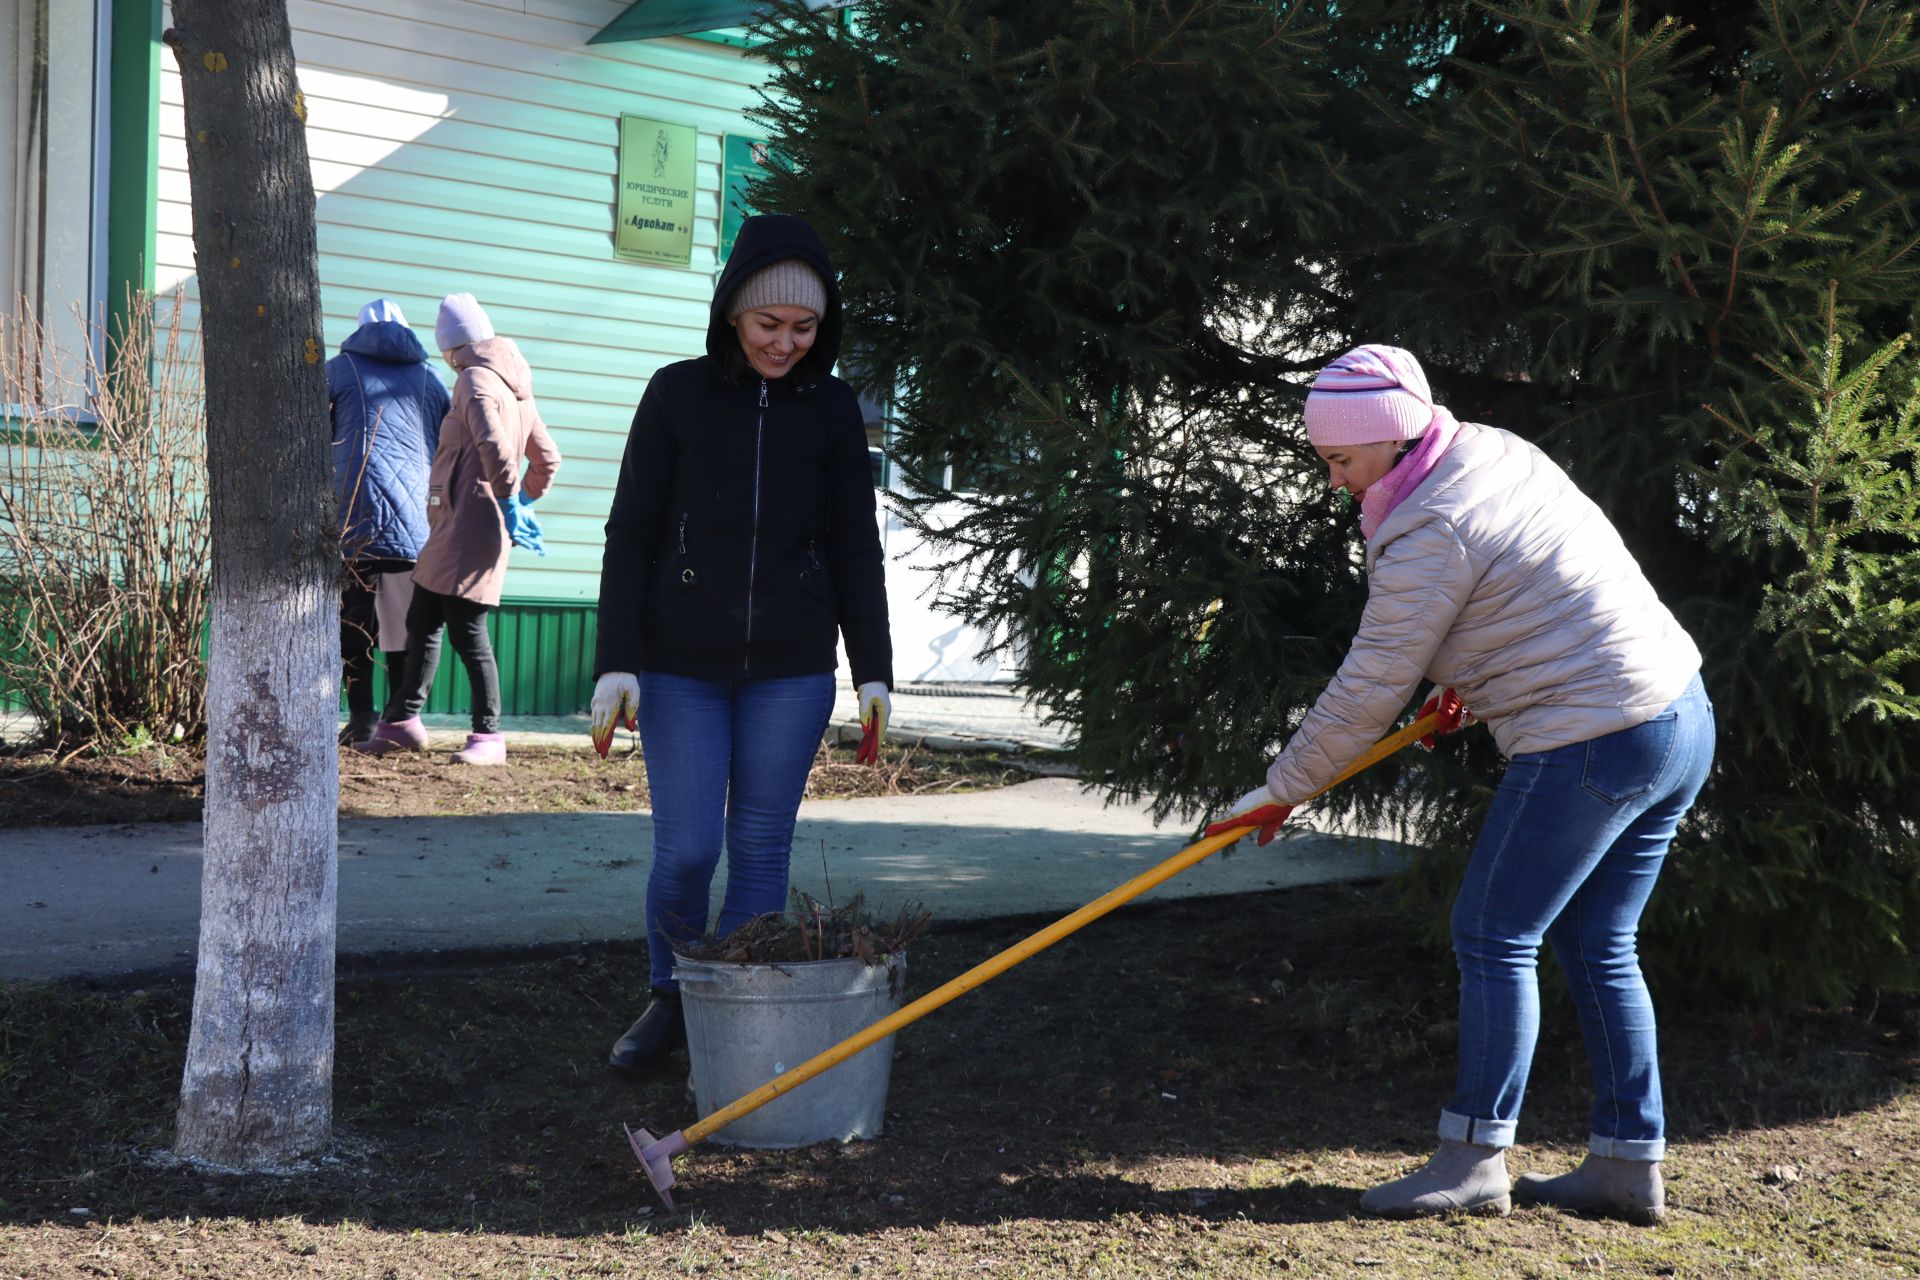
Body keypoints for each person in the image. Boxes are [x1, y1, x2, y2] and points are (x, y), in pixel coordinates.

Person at [1209, 344, 1713, 1224]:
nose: (1334, 481)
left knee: (1492, 931)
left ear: (1393, 438)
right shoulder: (1490, 451)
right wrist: (1471, 681)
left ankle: (1476, 1158)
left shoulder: (1426, 526)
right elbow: (1536, 588)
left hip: (1591, 734)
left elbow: (1370, 684)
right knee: (1599, 941)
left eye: (1341, 460)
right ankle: (1627, 1166)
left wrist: (1282, 787)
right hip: (1676, 713)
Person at [591, 213, 894, 1075]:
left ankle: (723, 1017)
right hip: (680, 663)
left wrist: (872, 668)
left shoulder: (833, 410)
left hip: (792, 670)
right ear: (732, 313)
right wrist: (618, 657)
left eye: (805, 328)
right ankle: (670, 991)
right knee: (687, 849)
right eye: (770, 325)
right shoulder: (676, 394)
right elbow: (631, 534)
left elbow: (853, 545)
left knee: (761, 851)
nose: (786, 344)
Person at [356, 293, 561, 765]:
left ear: (451, 347)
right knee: (422, 620)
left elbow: (492, 443)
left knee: (469, 632)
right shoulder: (517, 387)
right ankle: (401, 723)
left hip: (469, 527)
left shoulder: (473, 379)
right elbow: (547, 458)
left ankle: (489, 737)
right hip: (454, 526)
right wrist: (525, 498)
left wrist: (512, 501)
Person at [326, 297, 448, 745]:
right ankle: (399, 722)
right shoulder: (430, 377)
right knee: (404, 623)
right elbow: (446, 440)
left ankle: (362, 718)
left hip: (353, 513)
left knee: (355, 621)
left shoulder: (338, 369)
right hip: (416, 518)